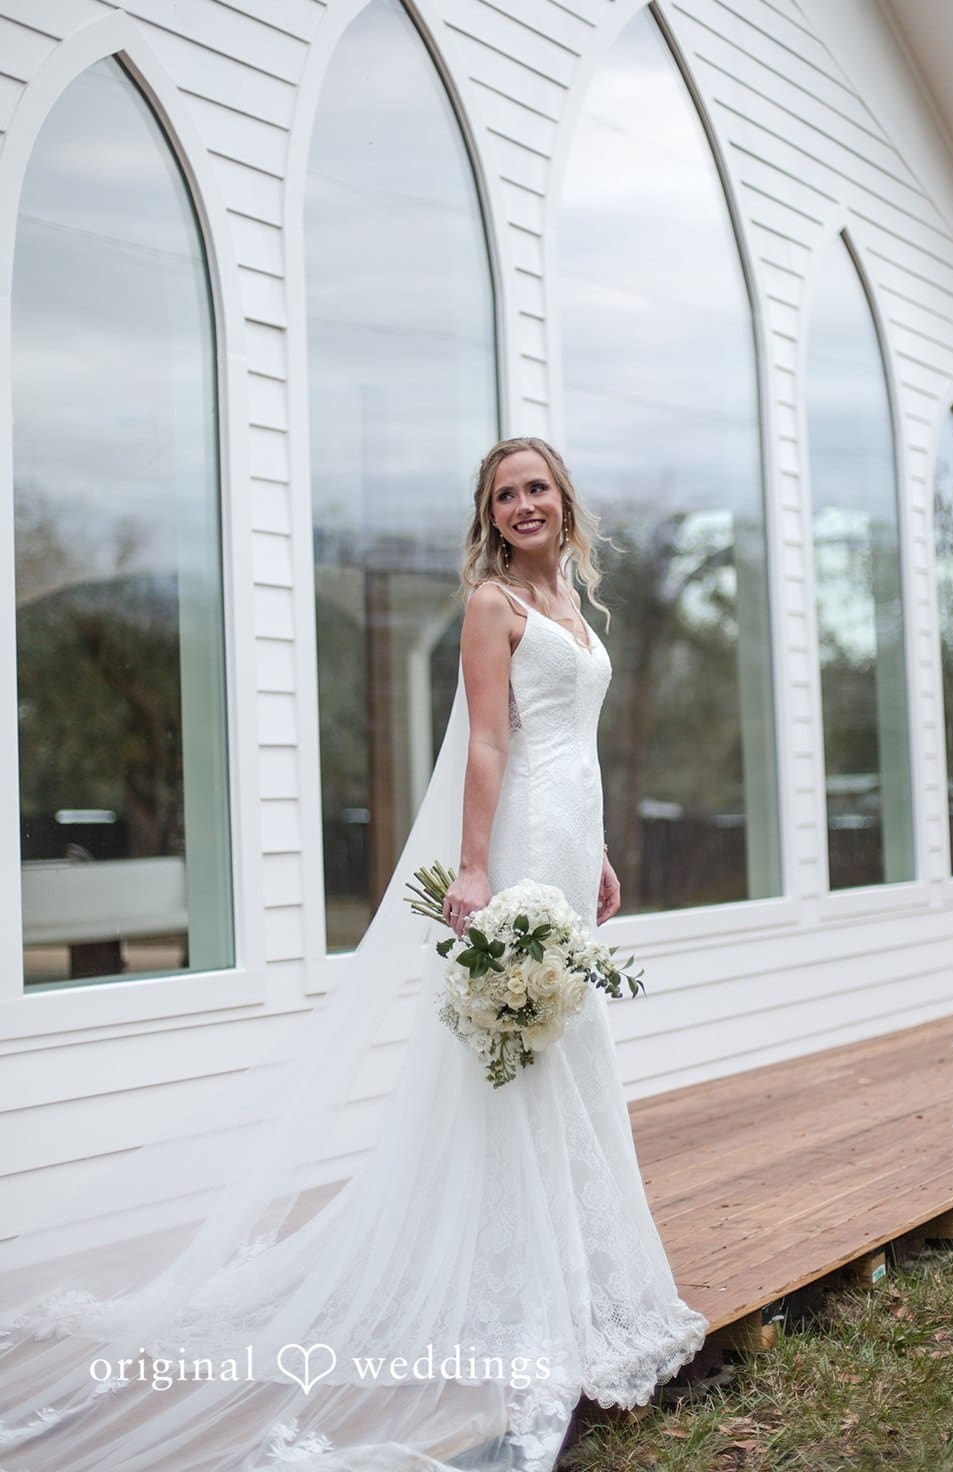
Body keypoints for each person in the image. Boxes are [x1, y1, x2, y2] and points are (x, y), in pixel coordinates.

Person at [0, 437, 706, 1471]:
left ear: (563, 500)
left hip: (568, 832)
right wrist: (473, 870)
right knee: (515, 1037)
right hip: (514, 836)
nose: (522, 505)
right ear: (488, 513)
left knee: (569, 1035)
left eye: (536, 488)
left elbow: (577, 745)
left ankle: (573, 1265)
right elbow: (488, 742)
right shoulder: (490, 605)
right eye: (504, 494)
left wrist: (596, 851)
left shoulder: (573, 604)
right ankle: (516, 1279)